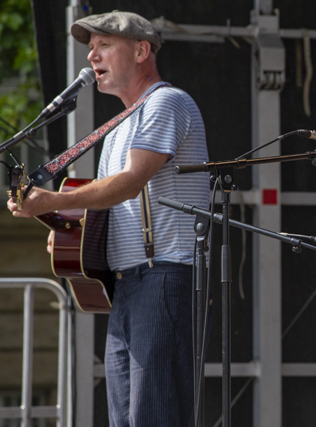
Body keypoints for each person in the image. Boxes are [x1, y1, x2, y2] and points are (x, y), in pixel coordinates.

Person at [7, 11, 210, 427]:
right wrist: (68, 233)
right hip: (128, 283)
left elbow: (131, 182)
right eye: (90, 49)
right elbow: (108, 208)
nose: (92, 58)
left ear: (141, 50)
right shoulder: (117, 128)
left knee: (154, 415)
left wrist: (48, 202)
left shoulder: (165, 102)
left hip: (165, 274)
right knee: (126, 418)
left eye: (103, 46)